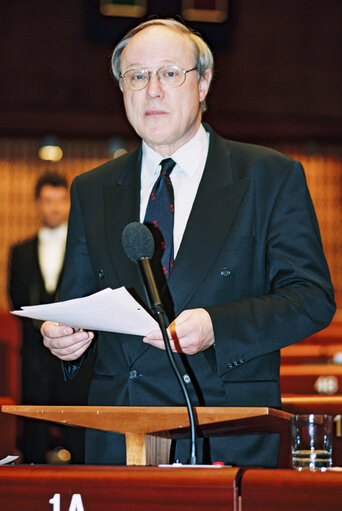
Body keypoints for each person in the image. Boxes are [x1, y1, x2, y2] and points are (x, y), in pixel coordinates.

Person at [41, 19, 335, 467]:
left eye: (169, 73)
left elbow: (312, 298)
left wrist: (218, 326)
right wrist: (66, 339)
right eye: (137, 76)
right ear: (123, 89)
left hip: (226, 432)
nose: (152, 90)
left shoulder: (268, 177)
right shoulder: (92, 189)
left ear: (203, 83)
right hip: (120, 441)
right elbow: (78, 302)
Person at [9, 172, 91, 464]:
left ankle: (82, 476)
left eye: (60, 201)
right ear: (37, 204)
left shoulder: (83, 247)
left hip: (77, 349)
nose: (54, 207)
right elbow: (16, 297)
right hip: (33, 351)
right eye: (48, 201)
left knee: (76, 415)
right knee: (35, 418)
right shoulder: (20, 251)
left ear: (68, 203)